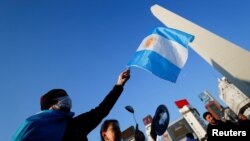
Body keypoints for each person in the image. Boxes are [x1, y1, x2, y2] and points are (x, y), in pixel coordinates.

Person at [12, 69, 130, 141]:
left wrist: (119, 85)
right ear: (50, 105)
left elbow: (101, 110)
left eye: (66, 95)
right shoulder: (31, 126)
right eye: (61, 95)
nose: (67, 99)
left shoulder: (75, 125)